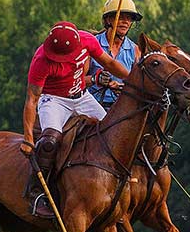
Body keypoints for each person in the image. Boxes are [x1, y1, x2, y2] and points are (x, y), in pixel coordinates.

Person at [22, 20, 132, 220]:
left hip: (82, 96)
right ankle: (38, 193)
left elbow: (109, 63)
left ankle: (120, 187)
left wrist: (132, 79)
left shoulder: (87, 40)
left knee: (114, 132)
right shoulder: (41, 60)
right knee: (49, 142)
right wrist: (28, 137)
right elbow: (32, 100)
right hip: (53, 100)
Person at [87, 0, 141, 110]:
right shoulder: (92, 44)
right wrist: (95, 79)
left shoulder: (135, 50)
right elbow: (76, 81)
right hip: (91, 106)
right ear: (108, 19)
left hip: (121, 110)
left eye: (129, 18)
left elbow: (138, 86)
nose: (126, 22)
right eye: (121, 17)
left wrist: (122, 87)